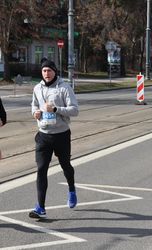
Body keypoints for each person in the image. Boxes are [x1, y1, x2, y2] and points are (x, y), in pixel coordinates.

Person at [29, 58, 79, 219]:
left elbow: (74, 110)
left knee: (66, 165)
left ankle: (71, 189)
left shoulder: (64, 88)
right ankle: (40, 207)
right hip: (43, 135)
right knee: (41, 169)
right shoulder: (37, 88)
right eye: (44, 71)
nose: (46, 73)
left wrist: (56, 109)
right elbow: (34, 105)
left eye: (49, 70)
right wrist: (35, 113)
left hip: (61, 135)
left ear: (55, 71)